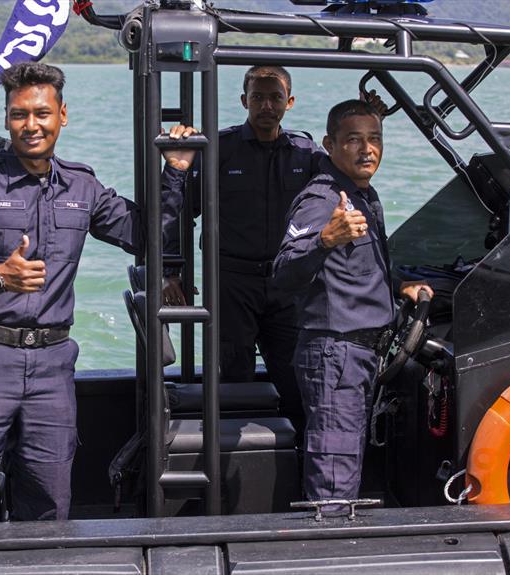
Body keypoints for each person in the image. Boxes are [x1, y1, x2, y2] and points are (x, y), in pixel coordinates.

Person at [0, 62, 190, 523]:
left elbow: (149, 236)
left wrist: (174, 174)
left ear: (62, 115)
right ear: (7, 118)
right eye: (19, 115)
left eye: (41, 114)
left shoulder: (81, 186)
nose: (31, 125)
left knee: (49, 507)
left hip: (52, 366)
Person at [272, 99, 432, 503]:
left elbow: (358, 264)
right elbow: (284, 272)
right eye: (354, 140)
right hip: (335, 356)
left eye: (375, 138)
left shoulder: (361, 195)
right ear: (329, 144)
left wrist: (397, 287)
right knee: (333, 477)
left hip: (360, 355)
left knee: (347, 467)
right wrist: (325, 239)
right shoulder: (323, 201)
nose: (367, 149)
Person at [161, 66, 327, 433]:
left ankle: (295, 459)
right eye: (257, 97)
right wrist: (171, 269)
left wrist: (370, 117)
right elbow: (178, 209)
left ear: (290, 102)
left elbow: (342, 182)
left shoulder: (305, 153)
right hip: (232, 283)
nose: (266, 105)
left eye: (275, 97)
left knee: (296, 377)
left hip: (287, 285)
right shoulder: (220, 150)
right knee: (234, 375)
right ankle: (233, 466)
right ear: (243, 101)